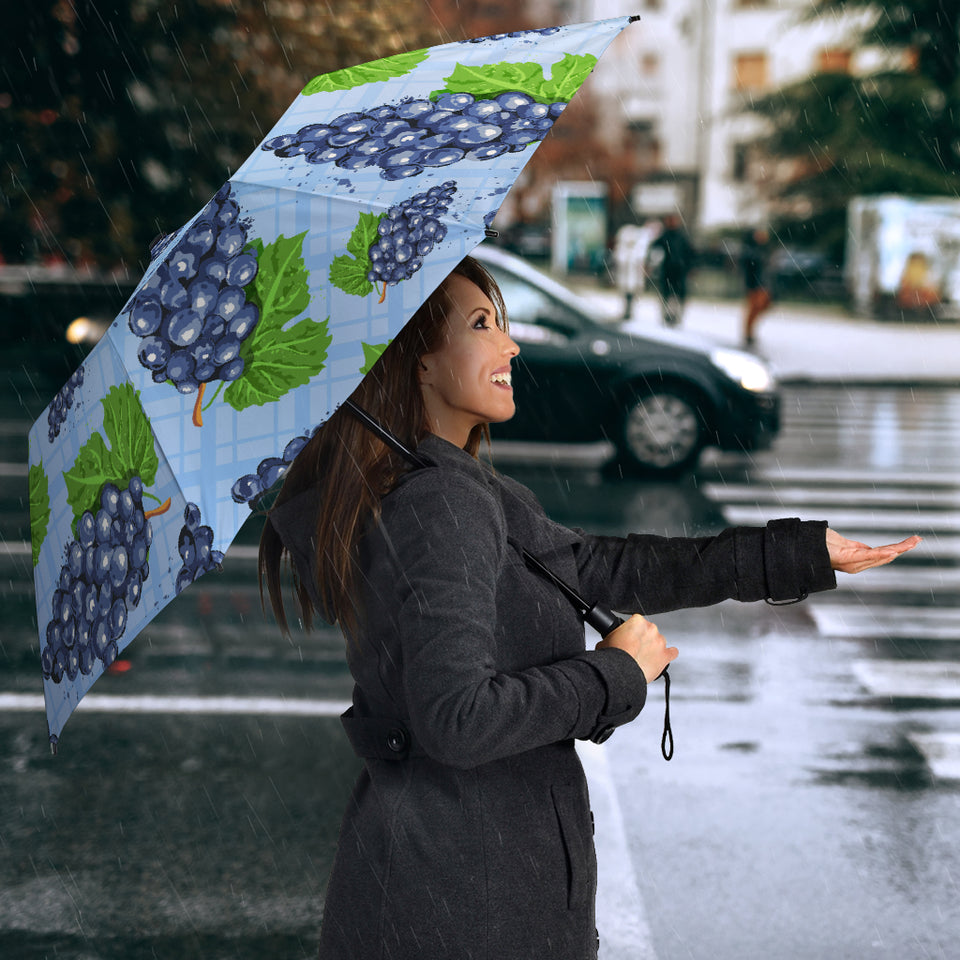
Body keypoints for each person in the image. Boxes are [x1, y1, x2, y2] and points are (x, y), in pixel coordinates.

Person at [259, 256, 919, 960]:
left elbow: (599, 568)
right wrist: (614, 674)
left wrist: (794, 554)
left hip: (448, 884)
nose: (511, 345)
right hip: (468, 904)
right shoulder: (440, 504)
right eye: (482, 325)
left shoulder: (444, 487)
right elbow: (457, 719)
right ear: (417, 361)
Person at [648, 213, 695, 327]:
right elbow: (654, 249)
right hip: (668, 271)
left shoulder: (681, 237)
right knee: (667, 294)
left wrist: (690, 267)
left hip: (679, 271)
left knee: (677, 295)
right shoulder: (665, 236)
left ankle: (675, 316)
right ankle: (667, 315)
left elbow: (690, 253)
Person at [741, 226, 772, 346]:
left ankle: (750, 331)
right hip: (754, 284)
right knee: (754, 308)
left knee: (762, 306)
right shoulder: (750, 250)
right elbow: (750, 266)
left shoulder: (762, 249)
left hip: (762, 283)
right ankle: (748, 333)